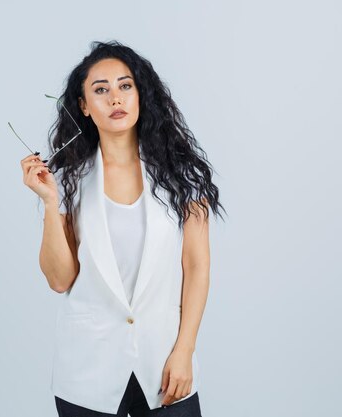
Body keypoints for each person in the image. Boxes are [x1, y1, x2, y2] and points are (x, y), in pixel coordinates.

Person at [20, 40, 226, 417]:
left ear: (140, 94)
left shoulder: (182, 176)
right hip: (87, 371)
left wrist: (185, 350)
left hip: (165, 363)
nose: (115, 98)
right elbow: (60, 280)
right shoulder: (67, 180)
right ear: (84, 105)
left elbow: (196, 268)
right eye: (100, 90)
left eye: (124, 85)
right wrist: (50, 203)